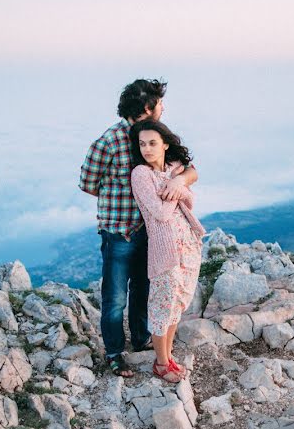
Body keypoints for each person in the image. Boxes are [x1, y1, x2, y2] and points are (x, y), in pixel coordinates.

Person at [79, 79, 198, 377]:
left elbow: (187, 167)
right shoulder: (108, 142)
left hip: (154, 234)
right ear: (147, 108)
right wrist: (119, 197)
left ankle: (143, 339)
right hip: (119, 231)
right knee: (116, 296)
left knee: (146, 290)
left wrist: (179, 181)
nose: (163, 109)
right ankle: (115, 354)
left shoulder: (152, 136)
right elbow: (87, 183)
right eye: (159, 104)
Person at [129, 120, 205, 383]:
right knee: (162, 306)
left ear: (165, 144)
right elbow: (160, 213)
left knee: (177, 304)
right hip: (166, 251)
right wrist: (176, 189)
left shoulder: (173, 168)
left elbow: (191, 200)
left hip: (188, 246)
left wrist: (177, 184)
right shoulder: (141, 174)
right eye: (142, 144)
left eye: (152, 143)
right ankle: (161, 363)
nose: (146, 149)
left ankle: (168, 356)